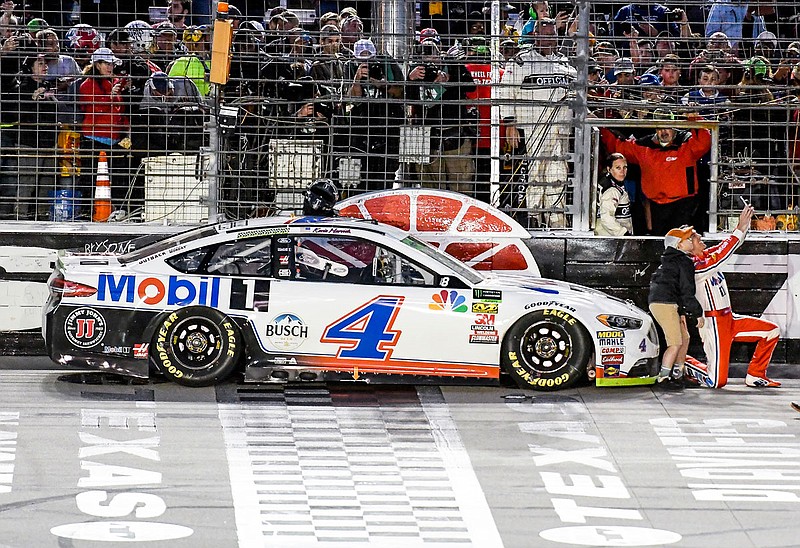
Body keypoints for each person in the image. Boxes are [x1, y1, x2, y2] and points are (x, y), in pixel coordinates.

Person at [686, 205, 781, 388]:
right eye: (696, 238)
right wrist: (738, 228)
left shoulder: (705, 257)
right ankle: (685, 363)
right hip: (713, 324)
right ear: (689, 246)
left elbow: (726, 247)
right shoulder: (695, 267)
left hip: (729, 318)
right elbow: (723, 253)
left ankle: (756, 375)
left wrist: (743, 227)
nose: (700, 238)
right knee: (716, 382)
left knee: (771, 331)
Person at [499, 17, 576, 227]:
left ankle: (555, 220)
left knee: (558, 174)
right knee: (535, 174)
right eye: (545, 35)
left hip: (560, 129)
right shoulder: (520, 62)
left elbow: (575, 92)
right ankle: (534, 218)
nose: (549, 39)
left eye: (552, 35)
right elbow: (505, 93)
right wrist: (510, 124)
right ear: (534, 36)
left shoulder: (564, 63)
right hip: (532, 128)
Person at [599, 111, 711, 235]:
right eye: (659, 128)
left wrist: (695, 118)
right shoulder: (644, 146)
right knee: (660, 242)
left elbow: (704, 141)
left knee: (681, 242)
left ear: (674, 127)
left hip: (684, 205)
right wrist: (600, 126)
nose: (663, 132)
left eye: (667, 127)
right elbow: (618, 146)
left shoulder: (686, 143)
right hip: (656, 206)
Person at [648, 225, 705, 389]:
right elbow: (687, 291)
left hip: (665, 302)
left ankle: (678, 374)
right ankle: (663, 378)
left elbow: (676, 288)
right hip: (665, 304)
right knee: (674, 342)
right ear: (679, 245)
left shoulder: (671, 260)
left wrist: (680, 311)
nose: (691, 241)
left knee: (684, 338)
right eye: (688, 239)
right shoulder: (683, 261)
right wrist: (697, 313)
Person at [595, 153, 633, 236]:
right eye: (618, 168)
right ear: (609, 169)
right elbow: (606, 218)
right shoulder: (611, 190)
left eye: (625, 167)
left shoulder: (607, 182)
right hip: (611, 238)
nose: (622, 171)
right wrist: (623, 234)